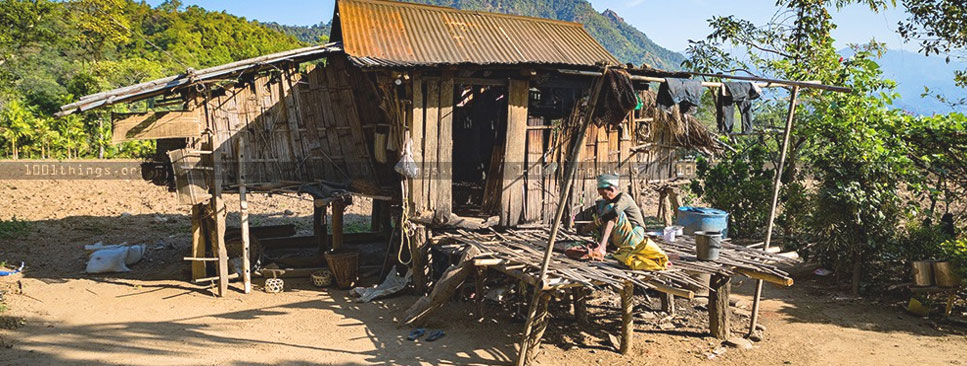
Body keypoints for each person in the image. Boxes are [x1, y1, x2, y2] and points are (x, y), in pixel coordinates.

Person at [578, 174, 669, 271]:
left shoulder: (625, 198)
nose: (604, 197)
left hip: (635, 237)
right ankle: (606, 245)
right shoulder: (609, 201)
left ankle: (602, 247)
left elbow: (615, 213)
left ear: (612, 189)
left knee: (611, 210)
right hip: (624, 239)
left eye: (604, 194)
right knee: (605, 210)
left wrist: (593, 225)